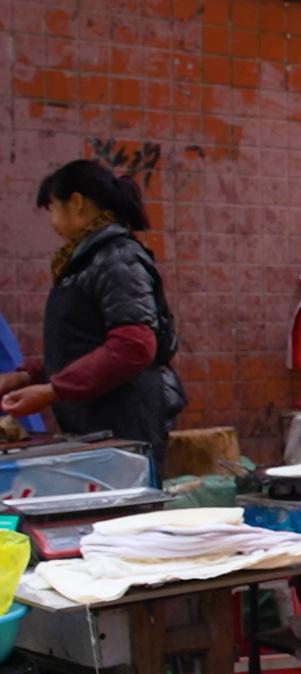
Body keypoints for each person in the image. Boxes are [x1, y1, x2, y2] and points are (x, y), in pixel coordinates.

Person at [1, 161, 184, 472]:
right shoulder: (87, 262)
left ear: (76, 203)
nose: (52, 222)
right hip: (93, 426)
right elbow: (84, 345)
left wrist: (52, 391)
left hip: (123, 428)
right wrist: (25, 376)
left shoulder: (118, 258)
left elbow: (134, 346)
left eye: (52, 209)